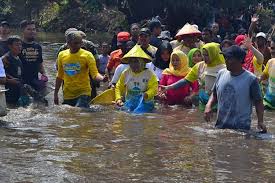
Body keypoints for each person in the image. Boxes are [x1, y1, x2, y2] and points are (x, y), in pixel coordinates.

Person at [204, 45, 266, 132]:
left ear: (240, 60)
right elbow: (214, 95)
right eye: (225, 58)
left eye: (229, 58)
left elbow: (258, 102)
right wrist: (208, 106)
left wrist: (260, 122)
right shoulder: (221, 74)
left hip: (241, 129)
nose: (226, 61)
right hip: (220, 127)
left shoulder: (250, 79)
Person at [160, 43, 226, 110]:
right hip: (203, 103)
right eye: (203, 55)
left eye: (207, 55)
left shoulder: (224, 69)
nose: (204, 57)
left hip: (219, 102)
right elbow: (186, 80)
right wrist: (169, 87)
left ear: (214, 54)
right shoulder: (199, 66)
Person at [54, 31, 107, 108]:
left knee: (79, 112)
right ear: (68, 44)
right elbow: (59, 76)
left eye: (80, 43)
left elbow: (95, 74)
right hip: (68, 93)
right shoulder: (62, 55)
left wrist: (102, 78)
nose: (79, 45)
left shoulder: (87, 55)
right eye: (75, 43)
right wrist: (55, 94)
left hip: (84, 92)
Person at [2, 36, 46, 106]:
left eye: (20, 44)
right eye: (17, 45)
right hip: (9, 92)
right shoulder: (5, 59)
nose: (20, 47)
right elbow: (1, 76)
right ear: (10, 46)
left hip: (18, 90)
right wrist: (9, 81)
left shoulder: (18, 58)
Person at [115, 45, 158, 113]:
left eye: (136, 62)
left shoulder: (149, 74)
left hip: (145, 103)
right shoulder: (126, 73)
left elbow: (154, 88)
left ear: (142, 62)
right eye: (131, 62)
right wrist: (118, 99)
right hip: (130, 103)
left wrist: (146, 94)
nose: (133, 64)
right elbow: (118, 86)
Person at [19, 20, 48, 93]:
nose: (32, 31)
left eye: (33, 29)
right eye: (29, 29)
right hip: (20, 82)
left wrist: (44, 74)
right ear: (22, 31)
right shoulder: (18, 45)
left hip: (34, 80)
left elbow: (40, 64)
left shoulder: (38, 46)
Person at [260, 37, 275, 109]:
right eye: (272, 48)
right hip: (268, 102)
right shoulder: (270, 62)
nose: (273, 51)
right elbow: (262, 77)